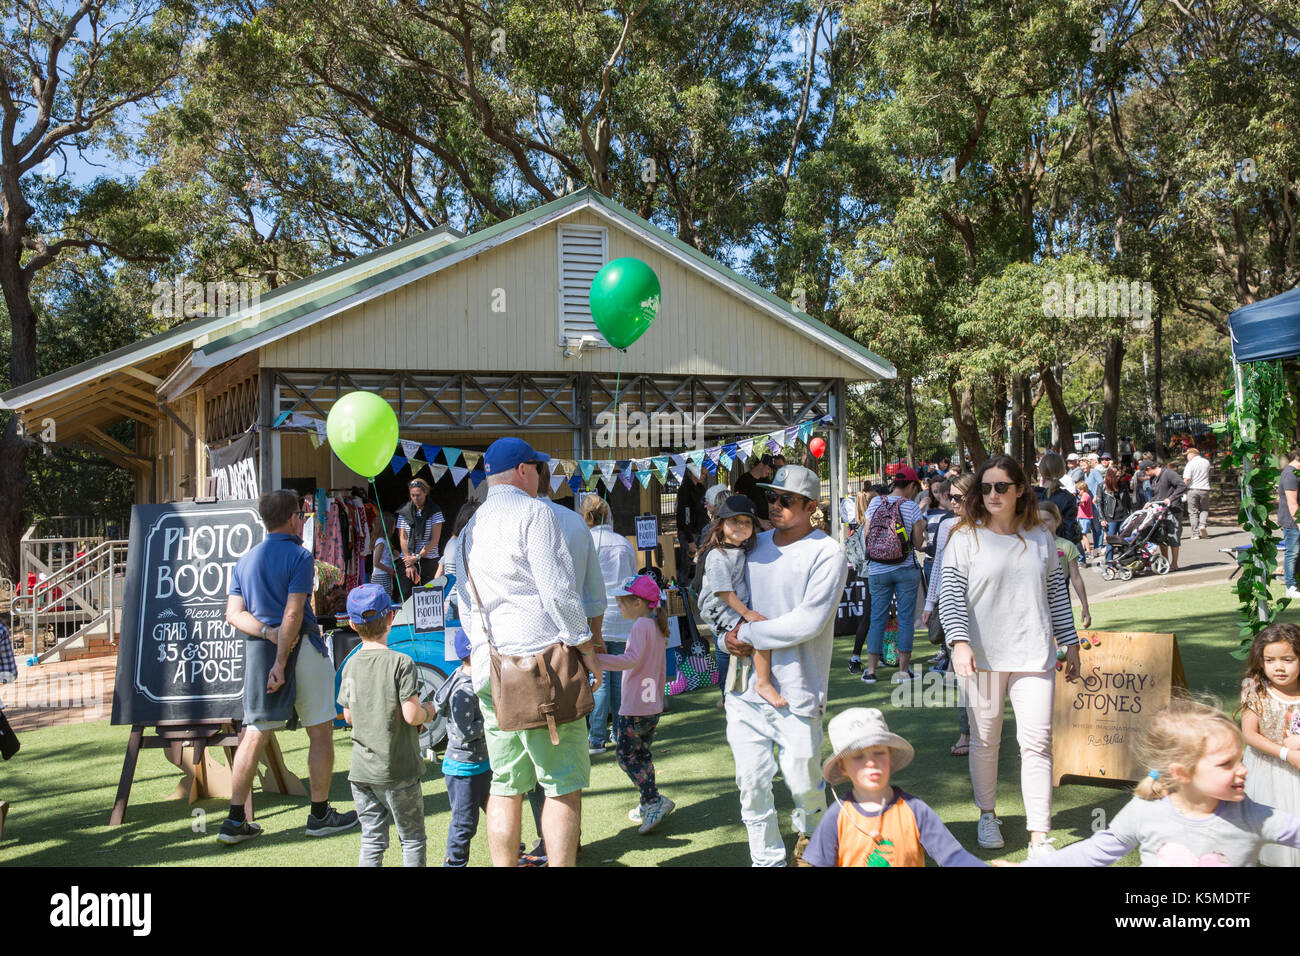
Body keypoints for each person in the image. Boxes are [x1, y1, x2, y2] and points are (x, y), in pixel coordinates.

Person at [454, 436, 601, 868]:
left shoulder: (468, 530)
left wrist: (484, 652)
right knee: (561, 784)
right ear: (523, 471)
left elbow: (465, 604)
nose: (541, 477)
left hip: (492, 670)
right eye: (537, 468)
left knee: (505, 783)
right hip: (543, 669)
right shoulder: (535, 513)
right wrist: (587, 648)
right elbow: (558, 593)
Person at [938, 455, 1081, 860]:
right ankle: (988, 814)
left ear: (1021, 489)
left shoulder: (1041, 536)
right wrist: (959, 643)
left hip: (1035, 654)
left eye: (1002, 486)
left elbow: (1056, 594)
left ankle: (1040, 835)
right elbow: (950, 596)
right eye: (985, 488)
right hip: (981, 656)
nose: (992, 494)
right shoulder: (964, 537)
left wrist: (1070, 642)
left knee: (1037, 743)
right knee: (985, 741)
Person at [721, 464, 849, 867]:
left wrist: (748, 635)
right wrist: (725, 635)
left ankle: (813, 836)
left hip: (798, 689)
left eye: (786, 500)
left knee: (805, 785)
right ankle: (767, 861)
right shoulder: (750, 545)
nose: (774, 505)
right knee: (752, 785)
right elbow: (722, 597)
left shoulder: (827, 552)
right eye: (770, 497)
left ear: (811, 506)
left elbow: (809, 622)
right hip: (742, 689)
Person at [219, 489, 358, 845]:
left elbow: (234, 615)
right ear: (293, 518)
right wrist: (281, 659)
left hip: (260, 651)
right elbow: (294, 613)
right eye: (301, 515)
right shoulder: (299, 555)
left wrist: (268, 634)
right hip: (301, 650)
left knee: (254, 731)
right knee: (320, 731)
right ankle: (320, 814)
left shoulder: (244, 560)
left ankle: (235, 819)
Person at [1024, 698, 1300, 866]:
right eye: (1226, 764)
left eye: (1239, 759)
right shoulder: (1145, 811)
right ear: (1182, 773)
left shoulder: (1253, 816)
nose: (1243, 770)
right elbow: (1094, 852)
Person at [802, 708, 985, 867]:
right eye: (858, 756)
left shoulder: (915, 809)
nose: (871, 762)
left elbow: (953, 857)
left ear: (890, 756)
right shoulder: (837, 816)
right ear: (842, 767)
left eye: (879, 752)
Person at [336, 584, 430, 867]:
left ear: (351, 624)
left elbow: (348, 716)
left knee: (372, 839)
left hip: (362, 771)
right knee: (412, 838)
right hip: (398, 768)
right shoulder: (401, 662)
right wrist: (429, 711)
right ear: (391, 617)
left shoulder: (350, 664)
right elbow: (412, 715)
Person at [597, 574, 673, 834]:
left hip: (637, 706)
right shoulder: (655, 625)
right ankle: (647, 801)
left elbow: (630, 660)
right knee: (641, 755)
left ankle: (653, 801)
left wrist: (597, 661)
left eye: (622, 601)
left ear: (639, 602)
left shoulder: (642, 625)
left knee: (626, 757)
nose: (619, 605)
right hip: (651, 704)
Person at [698, 495, 784, 708]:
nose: (741, 526)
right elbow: (723, 592)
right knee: (756, 632)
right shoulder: (718, 555)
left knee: (732, 655)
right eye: (734, 521)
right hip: (722, 610)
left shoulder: (740, 550)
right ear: (721, 524)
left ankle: (731, 694)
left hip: (732, 608)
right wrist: (747, 613)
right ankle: (762, 683)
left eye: (747, 522)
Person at [922, 472, 974, 756]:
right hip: (956, 609)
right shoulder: (947, 526)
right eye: (949, 497)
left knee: (989, 676)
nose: (952, 503)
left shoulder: (988, 525)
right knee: (966, 678)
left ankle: (986, 731)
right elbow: (940, 564)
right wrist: (930, 603)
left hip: (984, 608)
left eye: (957, 498)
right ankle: (966, 733)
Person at [1240, 622, 1300, 866]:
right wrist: (1286, 753)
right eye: (1270, 660)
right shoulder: (1255, 689)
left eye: (1287, 659)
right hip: (1269, 772)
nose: (1279, 667)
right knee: (1275, 827)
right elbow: (1250, 734)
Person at [859, 465, 926, 684]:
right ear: (912, 485)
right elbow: (917, 543)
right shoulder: (912, 507)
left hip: (878, 569)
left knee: (877, 618)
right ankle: (904, 672)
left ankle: (870, 670)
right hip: (905, 569)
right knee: (905, 619)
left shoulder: (876, 502)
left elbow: (868, 535)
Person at [581, 494, 637, 753]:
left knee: (599, 677)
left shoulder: (586, 542)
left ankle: (596, 737)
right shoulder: (623, 543)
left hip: (598, 618)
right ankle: (619, 732)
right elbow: (633, 580)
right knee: (618, 677)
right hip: (624, 616)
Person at [434, 628, 491, 867]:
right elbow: (467, 732)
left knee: (498, 809)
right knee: (464, 823)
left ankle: (512, 849)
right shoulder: (464, 690)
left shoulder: (469, 678)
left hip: (481, 764)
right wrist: (492, 720)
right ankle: (454, 862)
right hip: (463, 769)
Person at [1038, 502, 1092, 629]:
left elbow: (1076, 578)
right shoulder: (1031, 546)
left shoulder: (1067, 546)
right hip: (1038, 601)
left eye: (1046, 520)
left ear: (1057, 521)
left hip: (1061, 599)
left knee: (1066, 637)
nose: (1042, 524)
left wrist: (1085, 606)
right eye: (1037, 521)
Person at [846, 488, 877, 675]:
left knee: (870, 616)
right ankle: (856, 656)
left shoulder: (860, 526)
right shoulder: (868, 526)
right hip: (873, 573)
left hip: (866, 574)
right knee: (869, 616)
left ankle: (863, 655)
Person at [396, 479, 444, 596]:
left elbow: (434, 539)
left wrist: (417, 557)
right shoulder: (404, 511)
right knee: (407, 595)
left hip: (428, 560)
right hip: (407, 560)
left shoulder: (435, 511)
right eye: (413, 495)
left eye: (418, 495)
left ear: (425, 493)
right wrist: (410, 562)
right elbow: (403, 537)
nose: (416, 499)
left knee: (427, 596)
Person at [1034, 453, 1083, 564]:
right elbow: (1069, 530)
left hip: (1036, 552)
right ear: (1062, 470)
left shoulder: (1032, 496)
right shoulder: (1068, 498)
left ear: (1041, 471)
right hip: (1059, 555)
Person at [1143, 458, 1188, 572]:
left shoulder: (1169, 473)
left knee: (1173, 537)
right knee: (1161, 537)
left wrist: (1171, 498)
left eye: (1145, 472)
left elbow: (1182, 486)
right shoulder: (1154, 478)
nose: (1145, 475)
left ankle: (1174, 563)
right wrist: (1151, 501)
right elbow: (1159, 495)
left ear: (1149, 468)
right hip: (1161, 511)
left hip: (1173, 510)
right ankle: (1165, 562)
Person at [674, 469, 709, 579]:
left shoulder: (701, 488)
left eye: (705, 474)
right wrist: (690, 540)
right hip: (689, 532)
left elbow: (704, 509)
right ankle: (682, 590)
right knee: (687, 565)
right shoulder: (685, 489)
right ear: (692, 472)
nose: (704, 476)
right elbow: (685, 515)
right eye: (702, 473)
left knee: (701, 564)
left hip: (701, 530)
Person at [1095, 467, 1131, 564]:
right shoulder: (1102, 486)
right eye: (1117, 476)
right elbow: (1099, 503)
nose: (1119, 478)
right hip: (1110, 518)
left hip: (1123, 516)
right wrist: (1102, 518)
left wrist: (1131, 515)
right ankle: (1109, 563)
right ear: (1111, 476)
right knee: (1110, 541)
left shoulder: (1122, 485)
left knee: (1125, 540)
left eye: (1120, 476)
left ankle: (1125, 561)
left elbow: (1128, 501)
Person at [733, 455, 775, 530]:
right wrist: (760, 522)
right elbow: (741, 507)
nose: (769, 471)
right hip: (750, 525)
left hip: (767, 523)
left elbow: (770, 501)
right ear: (761, 464)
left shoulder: (766, 480)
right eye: (768, 468)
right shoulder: (743, 481)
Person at [1280, 447, 1300, 600]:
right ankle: (1290, 586)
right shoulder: (1290, 474)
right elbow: (1292, 503)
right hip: (1293, 522)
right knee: (1292, 553)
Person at [1183, 446, 1212, 540]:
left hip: (1192, 489)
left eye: (1187, 455)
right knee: (1204, 509)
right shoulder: (1206, 462)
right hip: (1205, 489)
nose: (1186, 457)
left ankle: (1195, 534)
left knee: (1193, 511)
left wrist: (1182, 488)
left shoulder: (1190, 464)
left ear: (1191, 455)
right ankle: (1202, 525)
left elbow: (1187, 479)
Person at [369, 519, 397, 599]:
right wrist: (391, 571)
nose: (394, 527)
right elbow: (376, 562)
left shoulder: (386, 541)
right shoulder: (381, 541)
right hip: (381, 576)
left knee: (386, 597)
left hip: (385, 575)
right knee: (383, 600)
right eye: (393, 525)